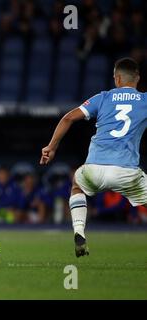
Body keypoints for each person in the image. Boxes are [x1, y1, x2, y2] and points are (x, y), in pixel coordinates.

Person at [40, 57, 147, 257]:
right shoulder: (145, 100)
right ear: (137, 79)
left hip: (94, 168)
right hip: (126, 171)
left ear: (116, 79)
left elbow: (68, 118)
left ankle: (79, 231)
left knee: (77, 186)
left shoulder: (103, 97)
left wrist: (51, 147)